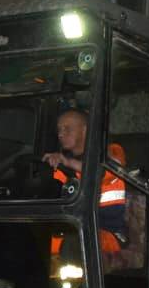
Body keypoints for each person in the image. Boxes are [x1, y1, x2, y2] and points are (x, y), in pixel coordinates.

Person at [43, 108, 127, 255]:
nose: (61, 134)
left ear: (85, 130)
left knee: (73, 242)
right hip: (75, 226)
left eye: (67, 129)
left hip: (108, 233)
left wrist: (68, 163)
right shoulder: (62, 162)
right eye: (59, 130)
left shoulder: (112, 152)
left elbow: (103, 170)